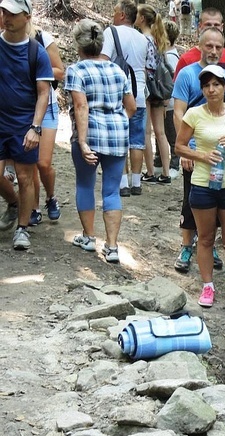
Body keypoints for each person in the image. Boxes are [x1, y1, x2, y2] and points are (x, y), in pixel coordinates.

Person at [175, 64, 225, 309]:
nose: (211, 89)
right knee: (205, 238)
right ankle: (208, 286)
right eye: (206, 85)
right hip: (203, 183)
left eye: (216, 84)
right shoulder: (194, 114)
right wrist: (201, 156)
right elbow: (179, 146)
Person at [65, 19, 136, 263]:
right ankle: (113, 246)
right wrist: (118, 122)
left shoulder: (76, 70)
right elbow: (132, 107)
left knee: (85, 185)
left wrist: (83, 141)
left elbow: (80, 105)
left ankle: (88, 237)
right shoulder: (117, 69)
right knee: (111, 189)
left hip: (90, 135)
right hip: (117, 136)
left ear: (78, 44)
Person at [171, 26, 225, 275]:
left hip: (219, 152)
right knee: (191, 198)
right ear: (200, 46)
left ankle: (208, 243)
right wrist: (186, 148)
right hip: (194, 148)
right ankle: (187, 245)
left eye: (218, 47)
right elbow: (179, 111)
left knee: (218, 197)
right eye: (209, 46)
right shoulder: (187, 75)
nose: (214, 51)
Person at [0, 0, 53, 251]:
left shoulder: (36, 52)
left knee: (24, 177)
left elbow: (44, 93)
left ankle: (22, 229)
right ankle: (12, 202)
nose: (6, 17)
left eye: (12, 13)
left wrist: (36, 127)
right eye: (3, 12)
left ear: (27, 17)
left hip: (23, 123)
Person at [100, 0, 148, 198]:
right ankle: (136, 183)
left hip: (118, 94)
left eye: (114, 11)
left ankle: (123, 183)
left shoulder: (111, 32)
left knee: (120, 139)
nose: (113, 14)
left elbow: (103, 60)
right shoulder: (143, 38)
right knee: (137, 139)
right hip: (140, 93)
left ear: (121, 15)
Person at [174, 7, 225, 110]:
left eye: (216, 25)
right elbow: (179, 103)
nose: (213, 51)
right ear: (200, 26)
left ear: (222, 27)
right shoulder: (186, 61)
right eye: (208, 25)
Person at [28, 23, 64, 226]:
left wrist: (35, 67)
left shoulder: (43, 37)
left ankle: (50, 197)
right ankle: (34, 207)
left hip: (47, 106)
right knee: (30, 162)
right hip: (22, 109)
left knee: (43, 163)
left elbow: (59, 72)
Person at [136, 4, 172, 185]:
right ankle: (166, 172)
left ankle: (150, 171)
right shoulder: (158, 39)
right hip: (159, 88)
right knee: (161, 132)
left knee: (145, 131)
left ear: (142, 18)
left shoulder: (141, 39)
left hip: (147, 87)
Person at [153, 20, 180, 178]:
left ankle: (175, 164)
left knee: (171, 134)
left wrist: (164, 102)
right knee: (159, 133)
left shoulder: (171, 57)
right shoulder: (164, 54)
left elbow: (171, 81)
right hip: (163, 102)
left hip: (168, 103)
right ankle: (158, 162)